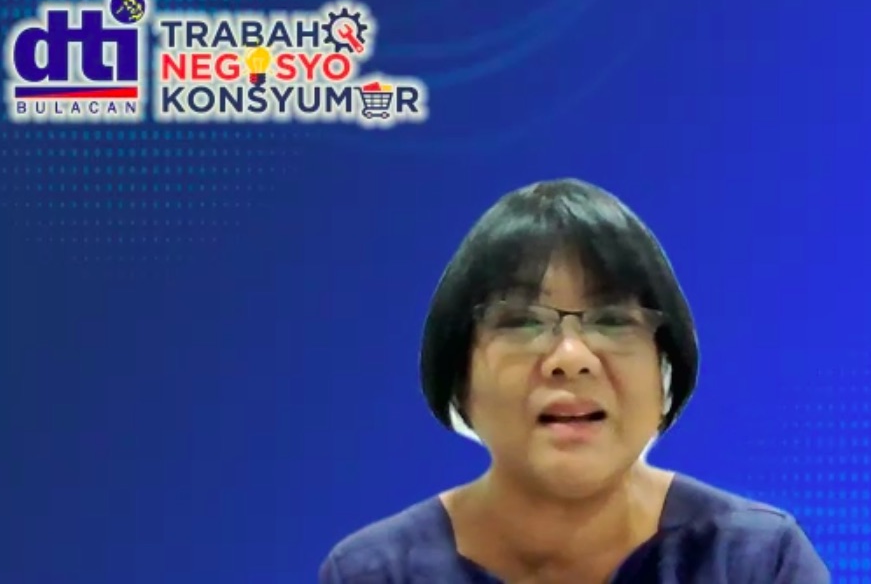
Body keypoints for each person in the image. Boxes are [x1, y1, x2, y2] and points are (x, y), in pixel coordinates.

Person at [318, 179, 830, 583]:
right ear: (458, 371)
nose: (571, 358)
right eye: (522, 322)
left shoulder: (755, 562)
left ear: (665, 367)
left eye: (613, 320)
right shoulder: (376, 573)